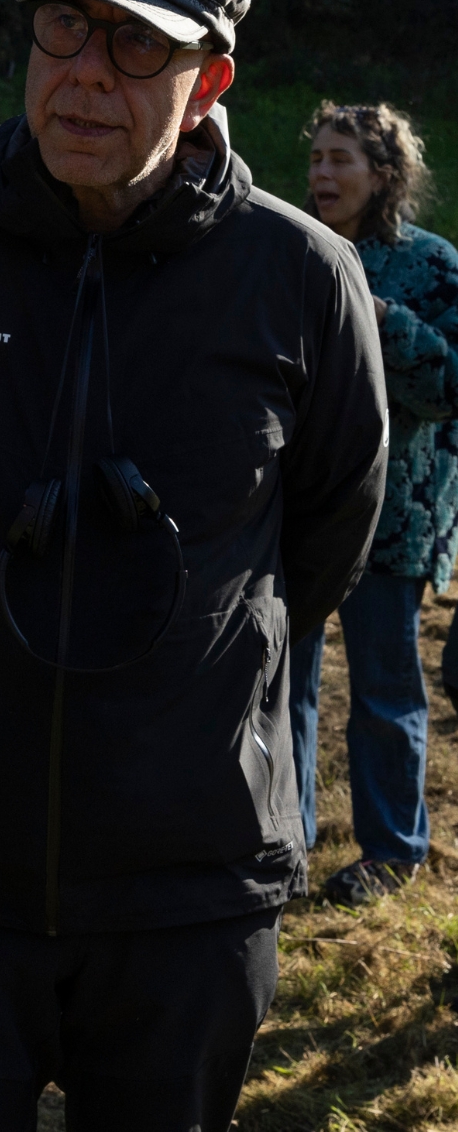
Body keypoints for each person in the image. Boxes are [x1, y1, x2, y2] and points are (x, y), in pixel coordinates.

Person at [0, 0, 387, 1130]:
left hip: (192, 877)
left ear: (210, 79)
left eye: (135, 47)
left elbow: (325, 531)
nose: (84, 74)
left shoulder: (299, 278)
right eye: (62, 28)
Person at [289, 101, 458, 906]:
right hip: (296, 514)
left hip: (393, 520)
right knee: (282, 682)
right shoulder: (292, 253)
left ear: (383, 176)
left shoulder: (429, 265)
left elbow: (450, 387)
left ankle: (393, 851)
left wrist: (384, 320)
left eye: (341, 160)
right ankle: (281, 841)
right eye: (317, 158)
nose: (322, 174)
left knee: (385, 694)